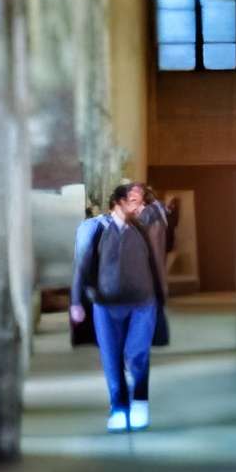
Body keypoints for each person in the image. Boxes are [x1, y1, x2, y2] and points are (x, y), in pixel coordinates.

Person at [70, 181, 168, 432]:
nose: (140, 206)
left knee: (137, 354)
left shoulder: (144, 229)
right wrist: (76, 301)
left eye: (142, 201)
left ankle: (140, 403)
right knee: (112, 358)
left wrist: (160, 298)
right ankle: (118, 408)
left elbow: (155, 264)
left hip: (142, 303)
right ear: (118, 202)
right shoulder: (94, 228)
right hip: (106, 304)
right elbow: (81, 265)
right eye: (135, 200)